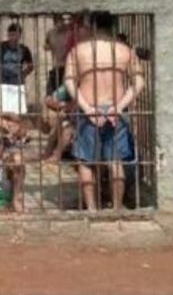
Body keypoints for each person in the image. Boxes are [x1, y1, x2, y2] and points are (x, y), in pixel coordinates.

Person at [64, 11, 145, 211]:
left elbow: (69, 82)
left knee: (86, 162)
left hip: (88, 110)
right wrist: (119, 107)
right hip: (115, 110)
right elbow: (139, 82)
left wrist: (87, 108)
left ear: (92, 25)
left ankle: (92, 210)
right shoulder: (125, 50)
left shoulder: (79, 50)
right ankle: (116, 209)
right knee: (116, 162)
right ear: (113, 26)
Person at [0, 23, 34, 114]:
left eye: (15, 35)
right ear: (8, 35)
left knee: (19, 111)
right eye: (11, 35)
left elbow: (30, 65)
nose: (13, 38)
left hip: (18, 82)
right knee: (4, 110)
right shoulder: (0, 47)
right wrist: (0, 71)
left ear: (20, 35)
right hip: (3, 82)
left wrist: (23, 74)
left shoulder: (24, 49)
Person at [42, 84, 75, 163]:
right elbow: (48, 100)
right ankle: (48, 153)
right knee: (59, 122)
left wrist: (67, 107)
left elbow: (76, 104)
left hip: (79, 117)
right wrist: (62, 106)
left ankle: (56, 155)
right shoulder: (67, 85)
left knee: (67, 130)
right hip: (67, 114)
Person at [44, 14, 71, 97]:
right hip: (57, 67)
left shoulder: (70, 32)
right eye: (58, 19)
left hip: (69, 67)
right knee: (51, 95)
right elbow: (45, 46)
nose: (62, 22)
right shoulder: (51, 33)